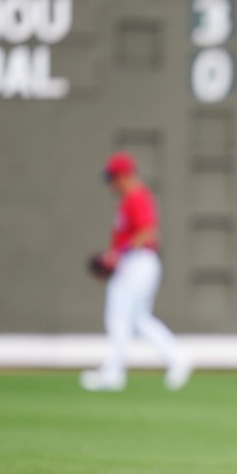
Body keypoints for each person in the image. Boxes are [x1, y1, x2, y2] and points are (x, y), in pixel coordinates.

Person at [81, 152, 192, 392]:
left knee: (118, 317)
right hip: (134, 262)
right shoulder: (129, 200)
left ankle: (113, 374)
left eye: (112, 178)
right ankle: (177, 358)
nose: (110, 184)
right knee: (138, 319)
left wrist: (116, 254)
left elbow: (148, 232)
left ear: (123, 176)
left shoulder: (137, 198)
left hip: (137, 261)